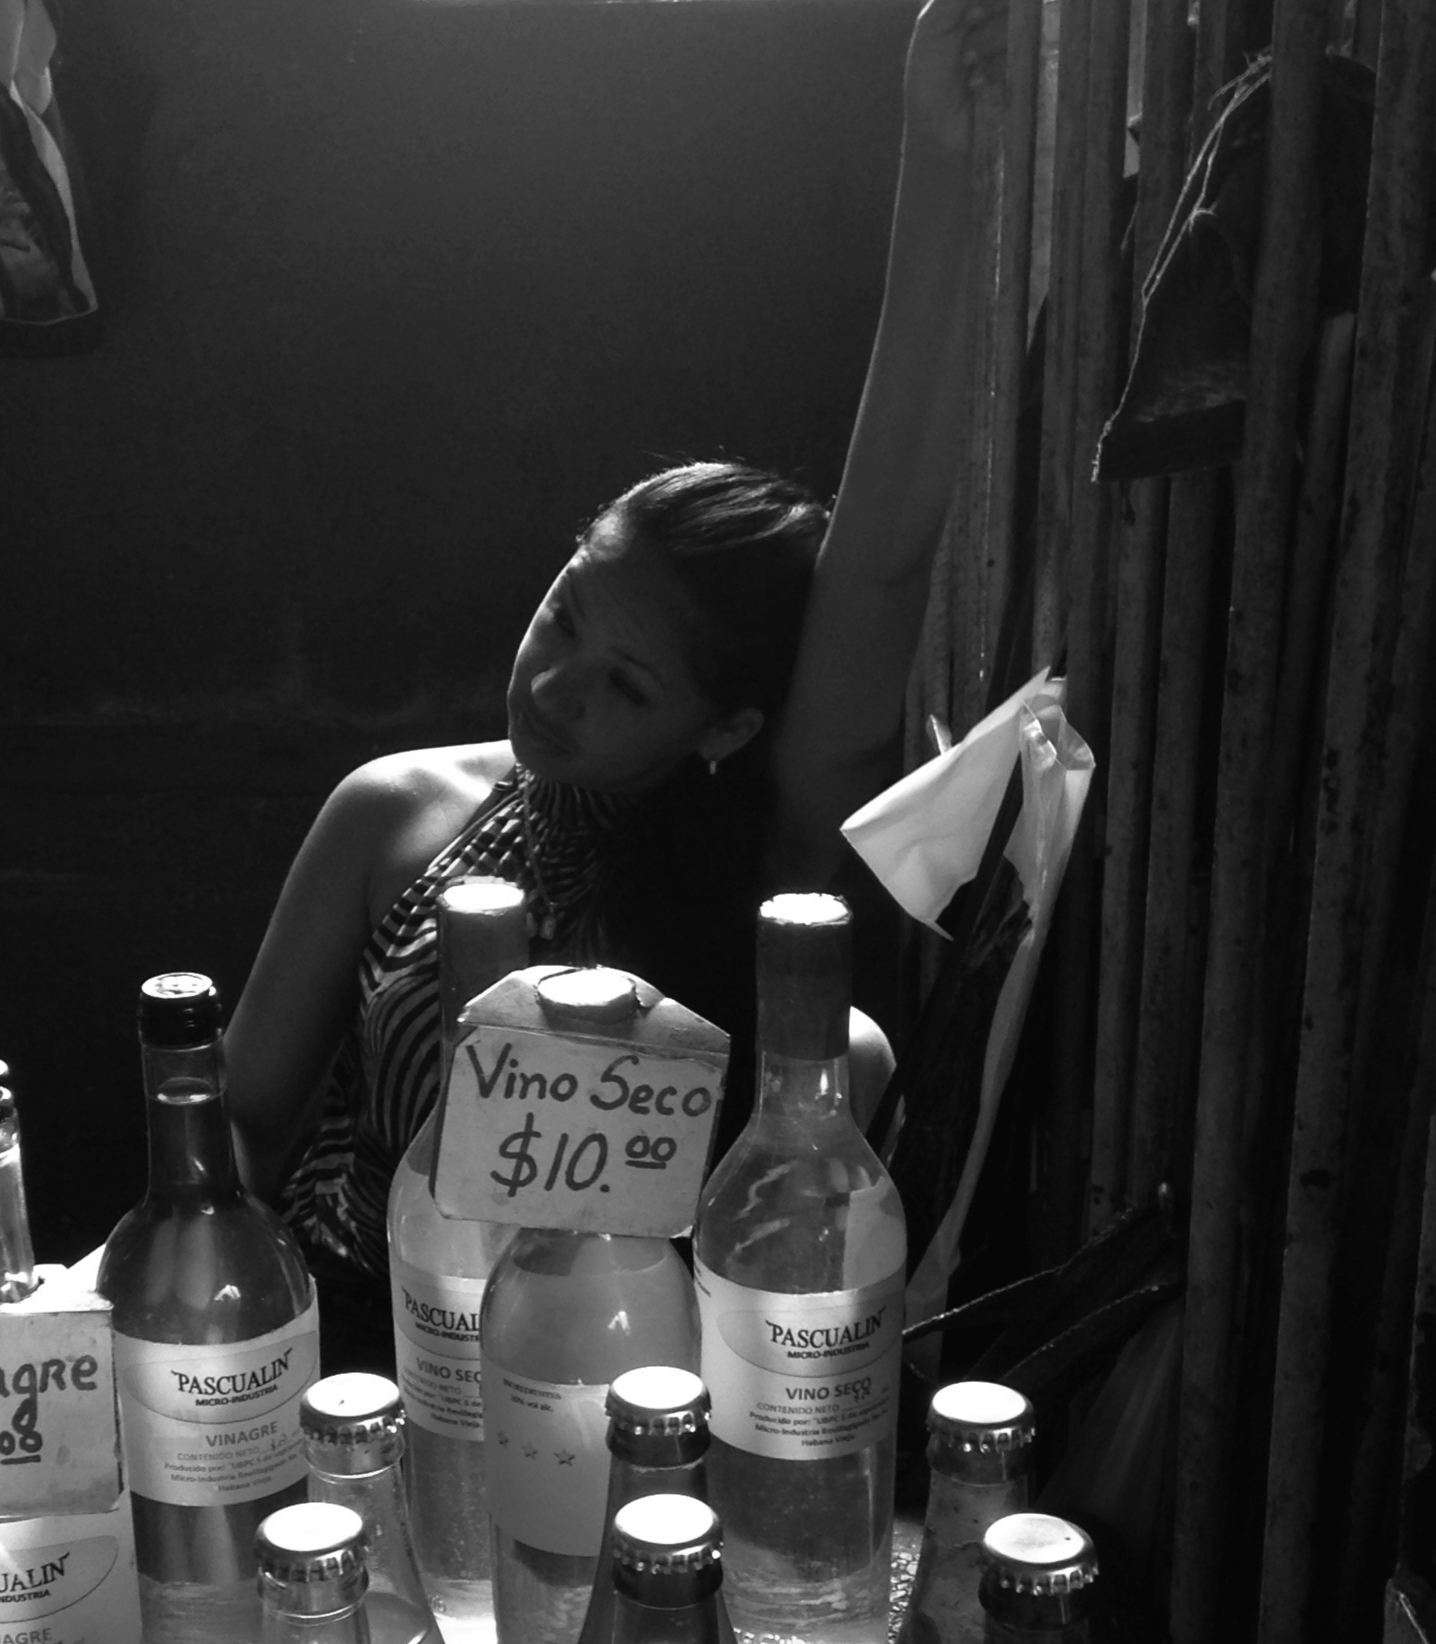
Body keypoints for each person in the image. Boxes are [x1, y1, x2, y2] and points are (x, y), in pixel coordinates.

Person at [225, 0, 1007, 1368]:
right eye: (567, 612)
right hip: (355, 1358)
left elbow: (882, 567)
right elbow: (242, 1117)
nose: (557, 682)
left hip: (626, 1389)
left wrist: (942, 160)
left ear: (726, 725)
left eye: (627, 685)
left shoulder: (759, 852)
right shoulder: (395, 810)